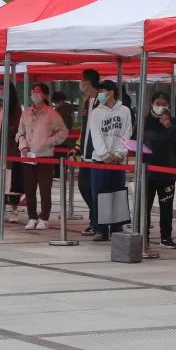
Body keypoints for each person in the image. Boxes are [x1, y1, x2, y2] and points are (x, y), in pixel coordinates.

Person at [16, 83, 69, 230]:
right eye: (33, 91)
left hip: (45, 156)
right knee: (29, 189)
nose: (34, 94)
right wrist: (23, 146)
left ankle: (44, 218)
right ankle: (32, 217)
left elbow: (63, 132)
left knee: (45, 189)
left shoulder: (52, 114)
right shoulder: (26, 113)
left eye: (38, 92)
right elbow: (20, 132)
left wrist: (50, 141)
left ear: (45, 95)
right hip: (28, 156)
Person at [87, 79, 133, 242]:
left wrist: (119, 154)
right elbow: (96, 136)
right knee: (99, 194)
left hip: (118, 161)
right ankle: (100, 229)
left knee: (117, 193)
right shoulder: (96, 112)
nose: (99, 95)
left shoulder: (125, 111)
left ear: (111, 92)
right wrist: (104, 155)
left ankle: (116, 227)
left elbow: (127, 133)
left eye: (102, 91)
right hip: (100, 160)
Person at [142, 91, 176, 249]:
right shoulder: (144, 122)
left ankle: (166, 237)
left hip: (167, 172)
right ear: (152, 104)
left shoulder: (173, 122)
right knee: (144, 206)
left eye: (164, 104)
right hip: (147, 171)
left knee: (166, 206)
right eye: (158, 103)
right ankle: (143, 235)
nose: (160, 107)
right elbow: (134, 140)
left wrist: (170, 127)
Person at [72, 69, 102, 236]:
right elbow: (85, 128)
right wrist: (77, 147)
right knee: (84, 186)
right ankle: (95, 217)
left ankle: (97, 221)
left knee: (96, 189)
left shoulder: (102, 99)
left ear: (88, 82)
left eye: (82, 80)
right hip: (85, 153)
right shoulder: (86, 101)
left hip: (98, 154)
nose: (81, 84)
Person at [0, 83, 25, 221]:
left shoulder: (15, 108)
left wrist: (2, 133)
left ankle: (14, 210)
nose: (1, 91)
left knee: (9, 180)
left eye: (4, 89)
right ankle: (1, 210)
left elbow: (16, 127)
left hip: (10, 147)